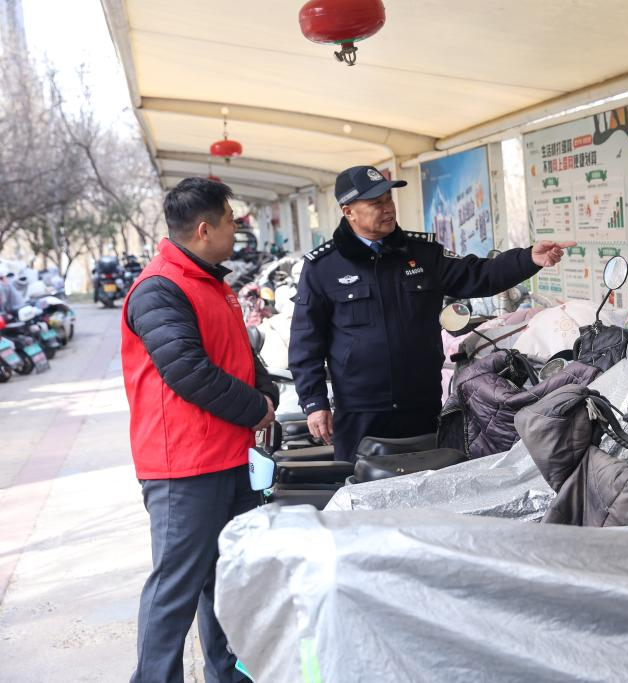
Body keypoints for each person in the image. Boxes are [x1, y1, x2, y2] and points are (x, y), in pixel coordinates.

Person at [290, 164, 572, 461]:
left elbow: (480, 275)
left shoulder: (422, 253)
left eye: (388, 199)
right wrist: (314, 402)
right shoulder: (323, 268)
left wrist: (528, 259)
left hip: (421, 404)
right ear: (349, 212)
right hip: (360, 410)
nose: (388, 208)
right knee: (359, 485)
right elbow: (305, 341)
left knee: (429, 483)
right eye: (376, 203)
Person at [121, 177, 279, 683]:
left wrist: (266, 392)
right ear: (205, 229)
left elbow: (238, 352)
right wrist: (255, 408)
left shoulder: (213, 282)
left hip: (229, 456)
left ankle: (228, 676)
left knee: (228, 582)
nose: (237, 230)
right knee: (175, 590)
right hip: (183, 468)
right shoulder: (159, 289)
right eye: (231, 221)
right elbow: (188, 372)